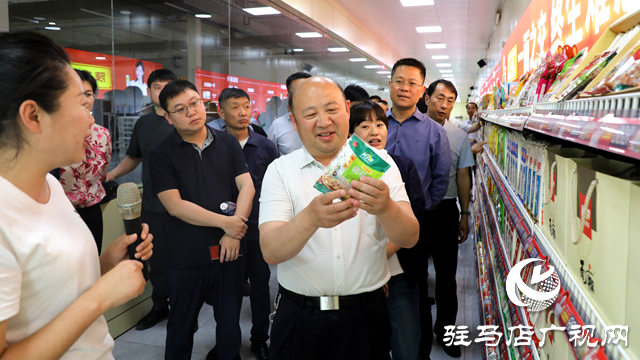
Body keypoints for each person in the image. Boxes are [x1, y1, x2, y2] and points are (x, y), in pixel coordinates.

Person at [0, 31, 153, 360]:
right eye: (80, 105)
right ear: (33, 116)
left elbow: (49, 294)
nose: (90, 119)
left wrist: (105, 266)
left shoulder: (51, 186)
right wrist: (99, 298)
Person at [259, 76, 420, 360]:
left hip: (366, 314)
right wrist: (310, 218)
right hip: (299, 315)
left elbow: (409, 237)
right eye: (310, 114)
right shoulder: (280, 170)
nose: (323, 122)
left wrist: (386, 208)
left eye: (331, 110)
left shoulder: (381, 163)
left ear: (347, 109)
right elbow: (271, 251)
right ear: (294, 122)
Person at [149, 80, 255, 360]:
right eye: (181, 109)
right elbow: (175, 206)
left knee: (229, 324)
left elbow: (247, 187)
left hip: (230, 251)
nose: (192, 112)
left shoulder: (228, 142)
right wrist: (225, 224)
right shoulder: (161, 154)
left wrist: (233, 233)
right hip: (186, 254)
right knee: (181, 325)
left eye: (195, 103)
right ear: (168, 117)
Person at [384, 57, 451, 360]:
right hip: (373, 226)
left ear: (422, 90)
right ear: (390, 84)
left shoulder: (434, 132)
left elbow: (440, 178)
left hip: (414, 227)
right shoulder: (373, 124)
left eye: (412, 83)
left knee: (415, 286)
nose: (404, 88)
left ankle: (417, 351)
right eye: (399, 81)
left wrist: (422, 212)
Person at [349, 100, 425, 360]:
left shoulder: (402, 165)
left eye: (380, 124)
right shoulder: (342, 172)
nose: (375, 131)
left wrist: (379, 258)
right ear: (351, 134)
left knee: (405, 342)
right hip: (357, 276)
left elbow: (414, 220)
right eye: (364, 125)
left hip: (398, 271)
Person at [105, 68, 178, 330]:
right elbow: (134, 157)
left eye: (169, 85)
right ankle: (161, 306)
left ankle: (185, 308)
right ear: (150, 91)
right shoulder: (143, 123)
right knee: (155, 260)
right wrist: (111, 173)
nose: (163, 91)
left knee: (184, 259)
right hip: (153, 206)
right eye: (157, 87)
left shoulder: (183, 120)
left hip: (185, 206)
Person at [215, 88, 278, 360]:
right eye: (235, 107)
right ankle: (227, 344)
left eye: (246, 105)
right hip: (222, 231)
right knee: (226, 291)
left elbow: (275, 189)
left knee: (261, 289)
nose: (242, 112)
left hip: (256, 231)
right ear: (221, 113)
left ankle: (260, 339)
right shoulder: (213, 144)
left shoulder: (265, 146)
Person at [424, 79, 475, 358]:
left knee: (446, 277)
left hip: (445, 211)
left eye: (450, 100)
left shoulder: (459, 136)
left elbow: (463, 176)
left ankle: (445, 331)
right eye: (439, 98)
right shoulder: (412, 130)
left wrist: (464, 214)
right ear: (427, 97)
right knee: (416, 276)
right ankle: (419, 330)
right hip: (416, 212)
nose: (444, 104)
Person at [60, 70, 112, 254]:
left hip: (92, 210)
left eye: (89, 94)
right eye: (79, 93)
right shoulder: (55, 134)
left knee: (93, 260)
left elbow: (103, 171)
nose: (85, 99)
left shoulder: (103, 134)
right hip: (61, 212)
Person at [267, 72, 311, 156]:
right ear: (289, 96)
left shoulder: (323, 122)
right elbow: (270, 158)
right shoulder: (278, 125)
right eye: (297, 92)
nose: (303, 96)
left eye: (307, 91)